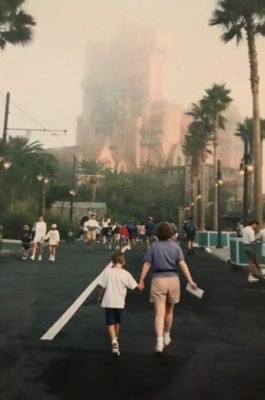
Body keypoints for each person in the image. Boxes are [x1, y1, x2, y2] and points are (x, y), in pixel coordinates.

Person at [138, 222, 198, 354]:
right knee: (169, 312)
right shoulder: (175, 247)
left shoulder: (153, 246)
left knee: (159, 313)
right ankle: (167, 334)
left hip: (158, 279)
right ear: (171, 233)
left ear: (157, 233)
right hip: (173, 280)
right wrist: (191, 281)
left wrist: (141, 280)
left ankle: (159, 342)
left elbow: (147, 264)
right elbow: (182, 264)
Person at [97, 252, 141, 356]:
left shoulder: (107, 272)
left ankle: (113, 340)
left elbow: (103, 287)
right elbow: (135, 286)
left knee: (110, 322)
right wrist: (141, 286)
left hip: (109, 301)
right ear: (123, 262)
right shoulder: (126, 274)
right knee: (117, 321)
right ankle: (115, 339)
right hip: (120, 302)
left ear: (112, 261)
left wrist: (100, 297)